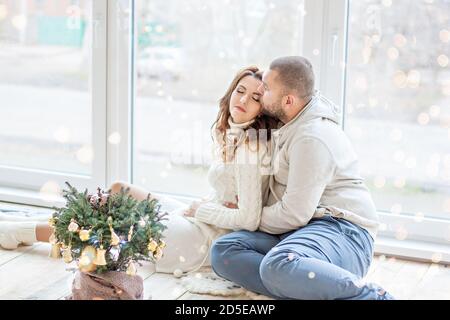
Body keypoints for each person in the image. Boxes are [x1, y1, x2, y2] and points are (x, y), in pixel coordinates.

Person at [0, 66, 278, 278]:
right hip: (201, 218)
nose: (242, 100)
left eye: (255, 97)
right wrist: (206, 206)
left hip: (200, 240)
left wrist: (201, 210)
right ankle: (45, 224)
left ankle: (21, 231)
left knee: (109, 227)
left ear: (263, 107)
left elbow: (248, 218)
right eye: (240, 90)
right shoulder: (239, 136)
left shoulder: (251, 150)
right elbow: (231, 195)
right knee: (121, 189)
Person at [209, 56, 395, 300]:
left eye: (266, 88)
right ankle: (308, 288)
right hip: (301, 230)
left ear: (288, 100)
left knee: (277, 265)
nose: (260, 91)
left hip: (342, 231)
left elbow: (292, 214)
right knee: (224, 250)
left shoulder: (311, 138)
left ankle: (371, 296)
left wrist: (249, 216)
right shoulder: (287, 120)